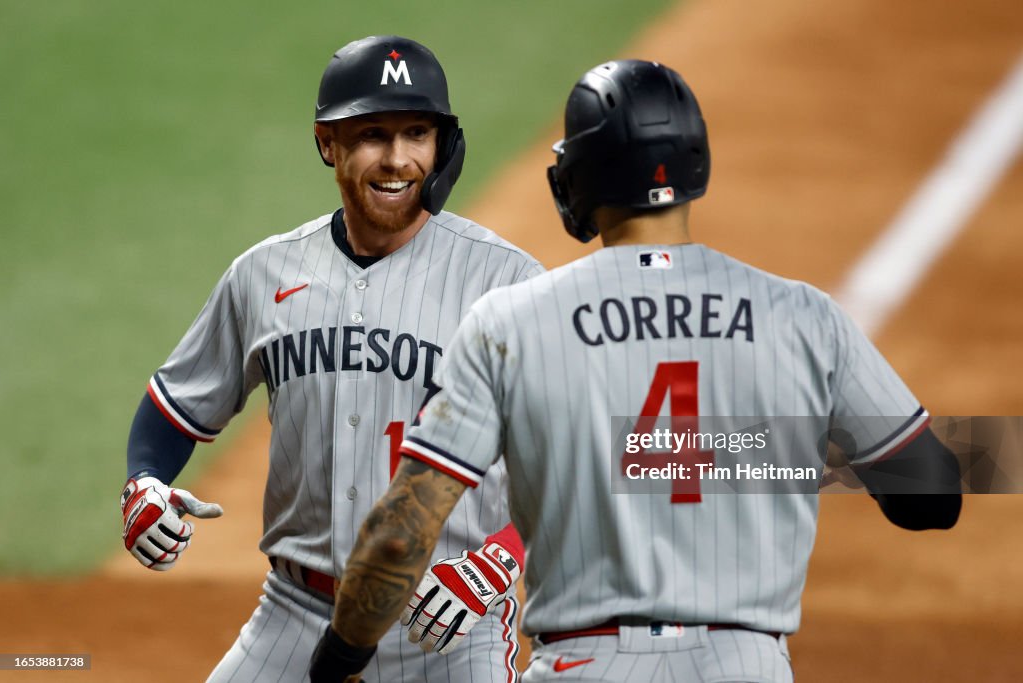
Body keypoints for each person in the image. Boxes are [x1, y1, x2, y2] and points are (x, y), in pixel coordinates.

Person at [310, 60, 963, 682]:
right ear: (695, 164)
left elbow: (401, 535)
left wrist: (339, 654)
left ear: (581, 176)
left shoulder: (508, 320)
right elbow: (930, 492)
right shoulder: (803, 314)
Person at [119, 35, 542, 682]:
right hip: (296, 606)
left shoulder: (508, 280)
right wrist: (144, 479)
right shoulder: (264, 274)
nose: (398, 158)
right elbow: (174, 407)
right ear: (327, 143)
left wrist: (502, 559)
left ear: (443, 145)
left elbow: (576, 452)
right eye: (372, 133)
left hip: (447, 616)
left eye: (417, 133)